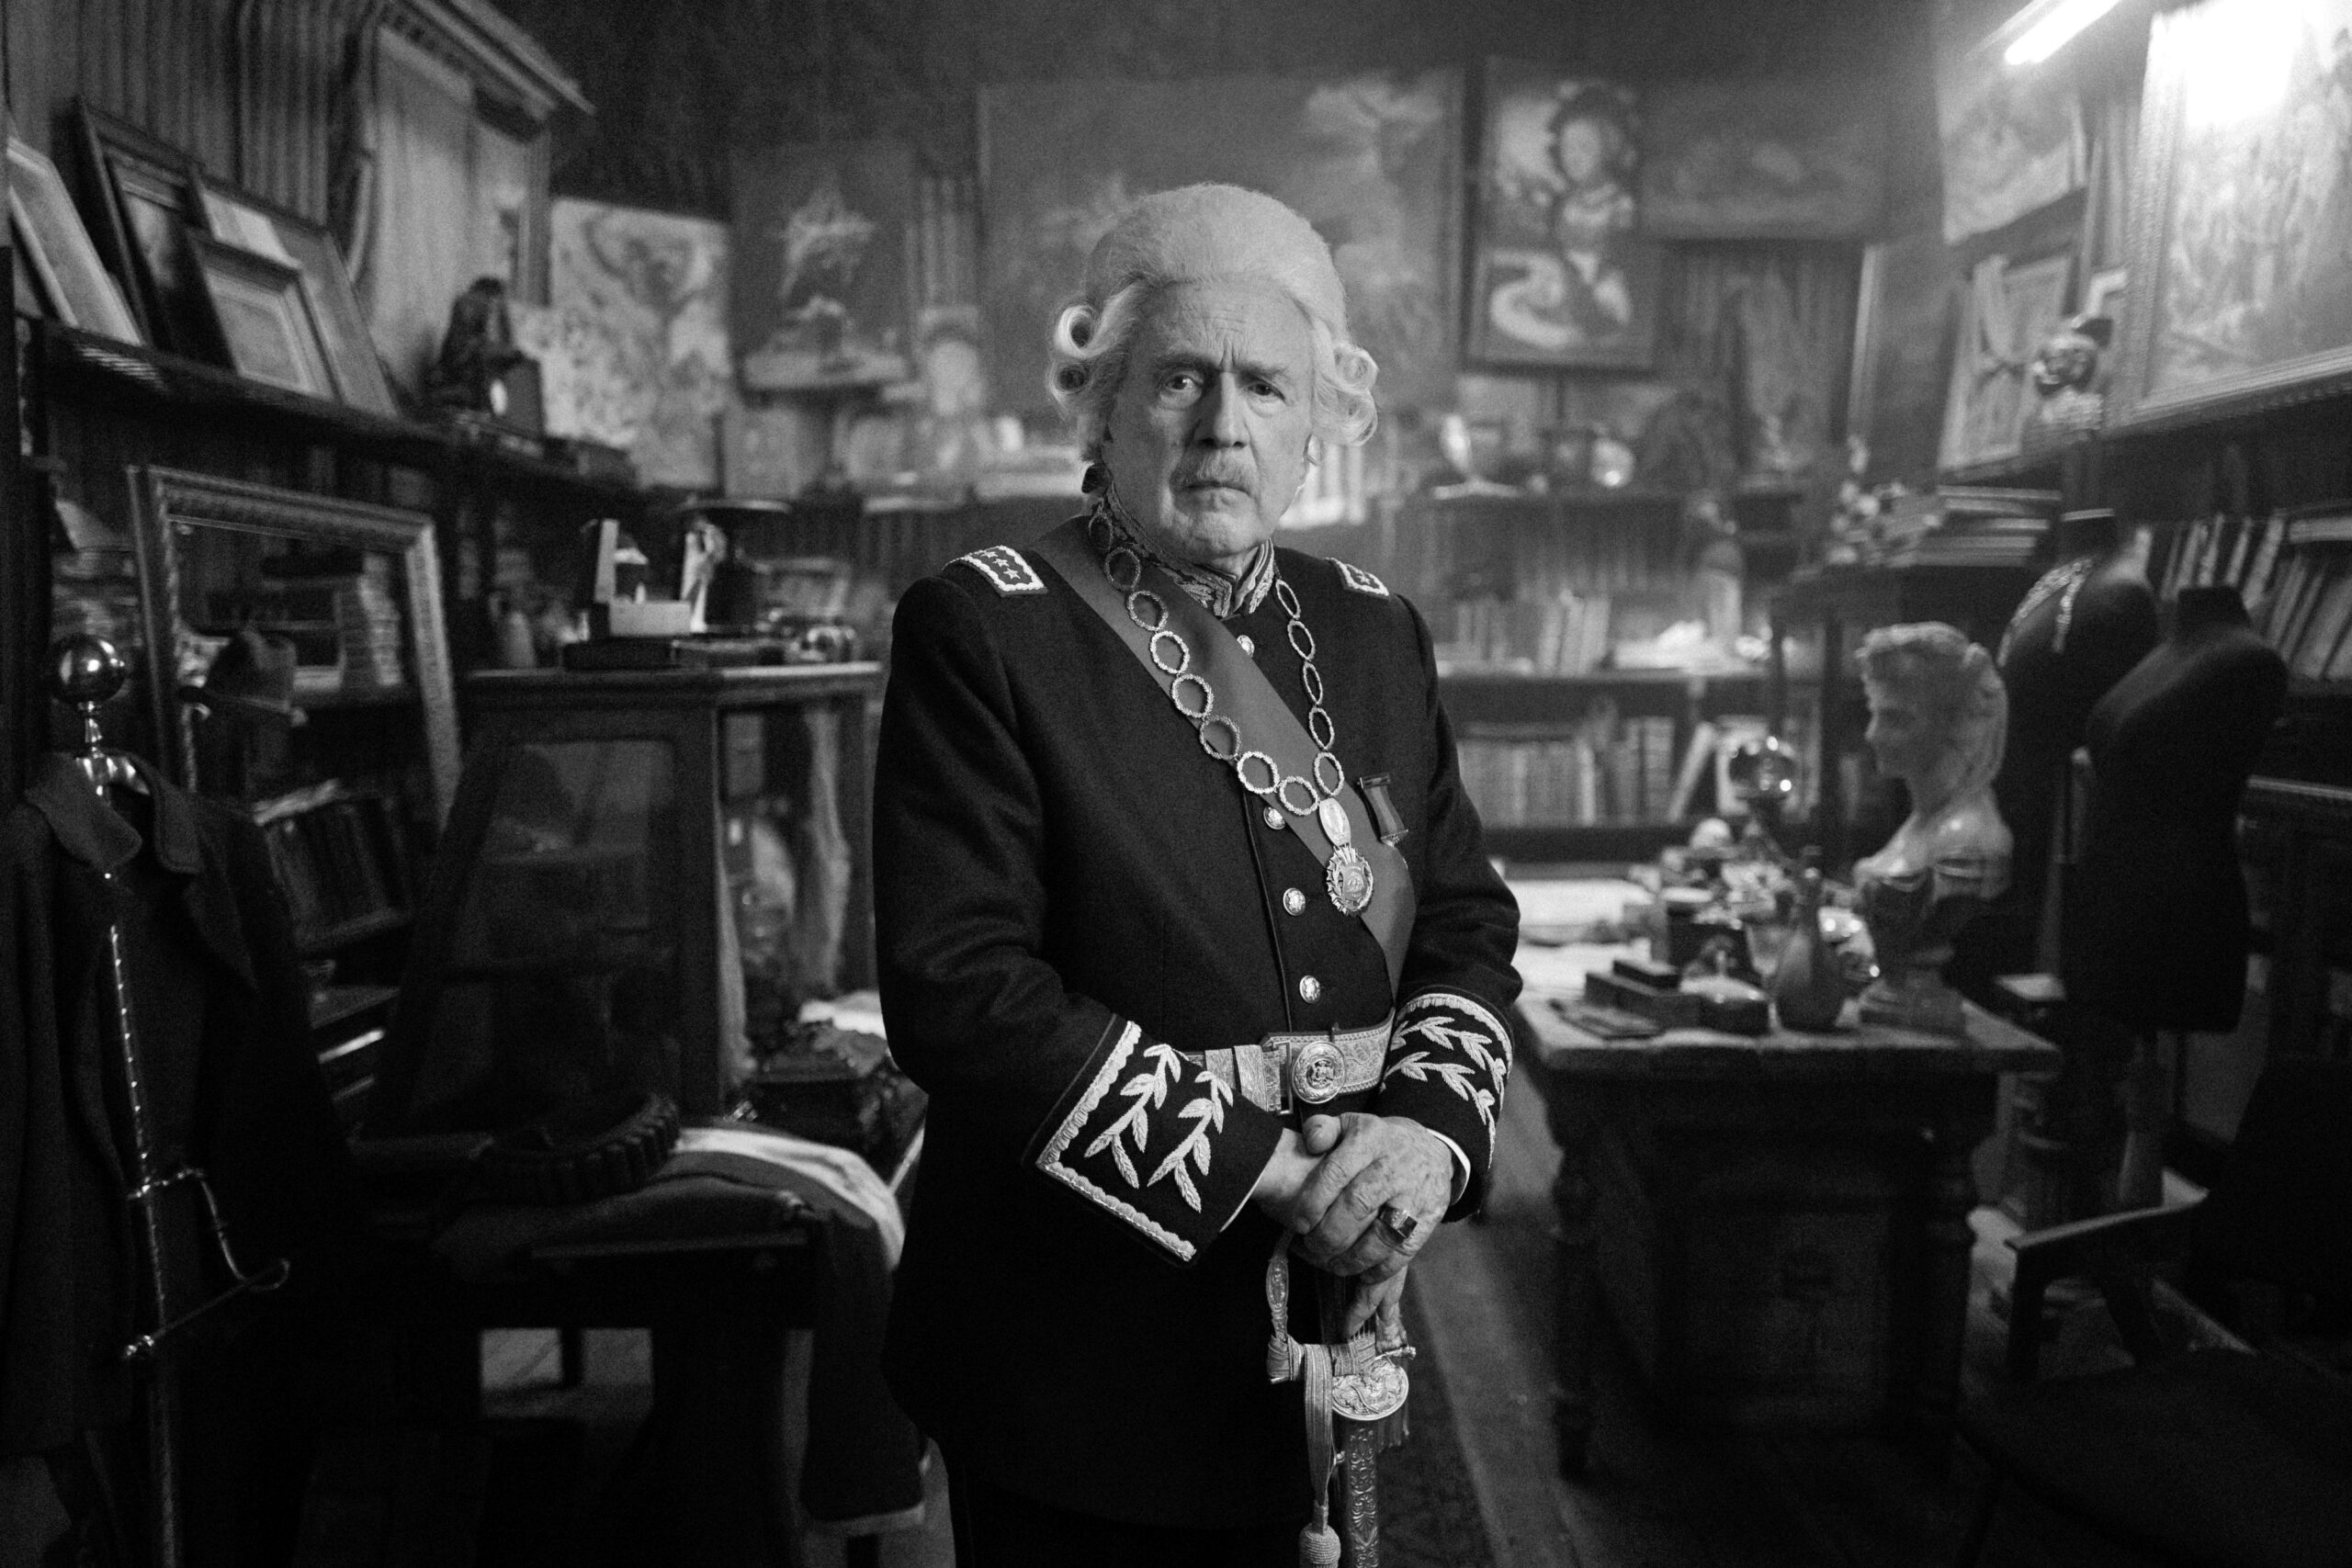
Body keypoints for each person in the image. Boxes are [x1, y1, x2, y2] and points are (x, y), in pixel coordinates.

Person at [873, 183, 1521, 1564]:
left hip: (1335, 1321)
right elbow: (958, 989)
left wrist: (1428, 1136)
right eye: (1180, 378)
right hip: (1074, 1358)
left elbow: (1463, 923)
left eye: (1267, 386)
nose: (1225, 423)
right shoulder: (982, 630)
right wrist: (1271, 1171)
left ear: (1314, 426)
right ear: (1100, 410)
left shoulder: (1374, 630)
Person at [1850, 623, 2012, 1035]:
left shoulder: (1967, 840)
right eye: (1874, 714)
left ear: (1951, 723)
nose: (1872, 735)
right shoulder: (1920, 824)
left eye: (1896, 719)